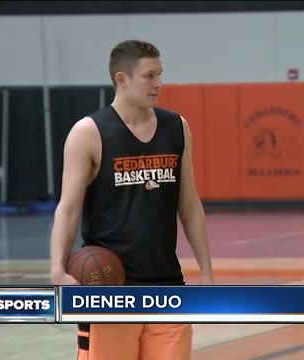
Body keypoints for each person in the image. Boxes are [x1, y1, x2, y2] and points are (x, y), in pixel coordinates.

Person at [49, 39, 214, 360]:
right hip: (111, 292)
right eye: (149, 76)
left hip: (168, 288)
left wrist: (206, 272)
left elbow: (190, 205)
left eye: (160, 75)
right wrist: (57, 269)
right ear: (122, 79)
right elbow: (68, 210)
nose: (159, 84)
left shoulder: (176, 127)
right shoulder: (89, 132)